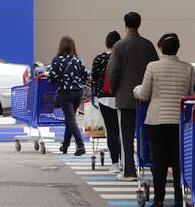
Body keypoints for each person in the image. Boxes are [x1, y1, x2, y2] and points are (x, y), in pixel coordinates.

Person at [133, 33, 194, 207]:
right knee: (177, 161)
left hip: (157, 120)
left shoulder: (153, 66)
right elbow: (191, 94)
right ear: (177, 48)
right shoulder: (187, 68)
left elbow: (144, 94)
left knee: (158, 161)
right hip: (179, 121)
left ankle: (158, 200)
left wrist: (136, 89)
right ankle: (178, 199)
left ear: (161, 48)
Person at [107, 12, 159, 179]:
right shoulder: (148, 45)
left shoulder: (119, 46)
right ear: (139, 24)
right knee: (148, 135)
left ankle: (129, 171)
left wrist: (115, 91)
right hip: (146, 98)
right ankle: (152, 167)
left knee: (126, 136)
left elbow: (113, 72)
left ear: (126, 25)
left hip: (125, 98)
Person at [47, 35, 89, 156]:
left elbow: (51, 78)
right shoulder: (78, 60)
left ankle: (80, 145)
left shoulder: (57, 60)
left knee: (70, 118)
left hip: (65, 93)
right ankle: (65, 146)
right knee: (69, 119)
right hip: (78, 93)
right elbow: (86, 76)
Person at [91, 30, 122, 171]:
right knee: (123, 131)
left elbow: (94, 78)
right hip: (121, 98)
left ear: (106, 44)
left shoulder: (99, 59)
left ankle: (114, 163)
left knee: (111, 131)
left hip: (104, 99)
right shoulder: (123, 58)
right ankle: (124, 162)